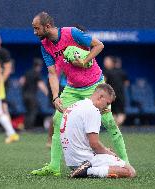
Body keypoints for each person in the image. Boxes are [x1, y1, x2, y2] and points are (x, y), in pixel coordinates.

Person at [31, 12, 129, 176]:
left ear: (47, 26)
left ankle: (125, 163)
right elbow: (52, 73)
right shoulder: (45, 46)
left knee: (109, 123)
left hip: (94, 86)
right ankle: (54, 167)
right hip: (72, 88)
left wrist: (84, 60)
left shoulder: (72, 33)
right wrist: (55, 96)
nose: (35, 32)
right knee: (57, 121)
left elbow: (99, 45)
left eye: (36, 28)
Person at [61, 84, 136, 178]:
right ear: (100, 97)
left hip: (71, 161)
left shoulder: (75, 105)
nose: (107, 108)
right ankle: (88, 171)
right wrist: (110, 154)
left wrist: (104, 151)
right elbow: (95, 145)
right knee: (130, 171)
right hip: (84, 160)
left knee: (107, 157)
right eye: (108, 103)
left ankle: (86, 170)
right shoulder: (93, 110)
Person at [19, 58, 49, 129]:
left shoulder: (28, 72)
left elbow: (21, 81)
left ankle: (25, 127)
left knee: (28, 111)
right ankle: (28, 127)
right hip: (31, 96)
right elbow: (41, 85)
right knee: (33, 111)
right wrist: (48, 93)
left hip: (24, 95)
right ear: (39, 66)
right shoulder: (37, 74)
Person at [103, 56, 129, 126]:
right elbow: (126, 84)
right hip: (120, 95)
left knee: (113, 113)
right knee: (120, 113)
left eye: (107, 61)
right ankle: (116, 127)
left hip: (111, 95)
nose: (105, 63)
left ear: (112, 63)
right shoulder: (122, 72)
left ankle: (115, 127)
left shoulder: (107, 72)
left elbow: (103, 83)